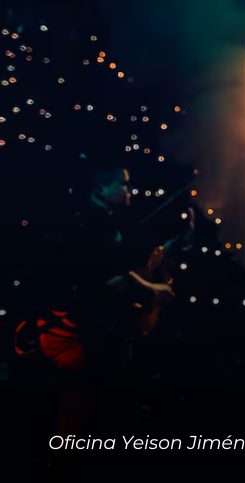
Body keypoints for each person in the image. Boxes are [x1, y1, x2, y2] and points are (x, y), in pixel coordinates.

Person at [41, 166, 192, 437]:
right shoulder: (93, 225)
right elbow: (107, 280)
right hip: (84, 339)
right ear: (101, 189)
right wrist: (154, 289)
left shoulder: (103, 224)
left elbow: (118, 272)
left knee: (96, 419)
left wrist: (171, 248)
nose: (129, 190)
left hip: (95, 336)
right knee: (86, 421)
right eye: (123, 184)